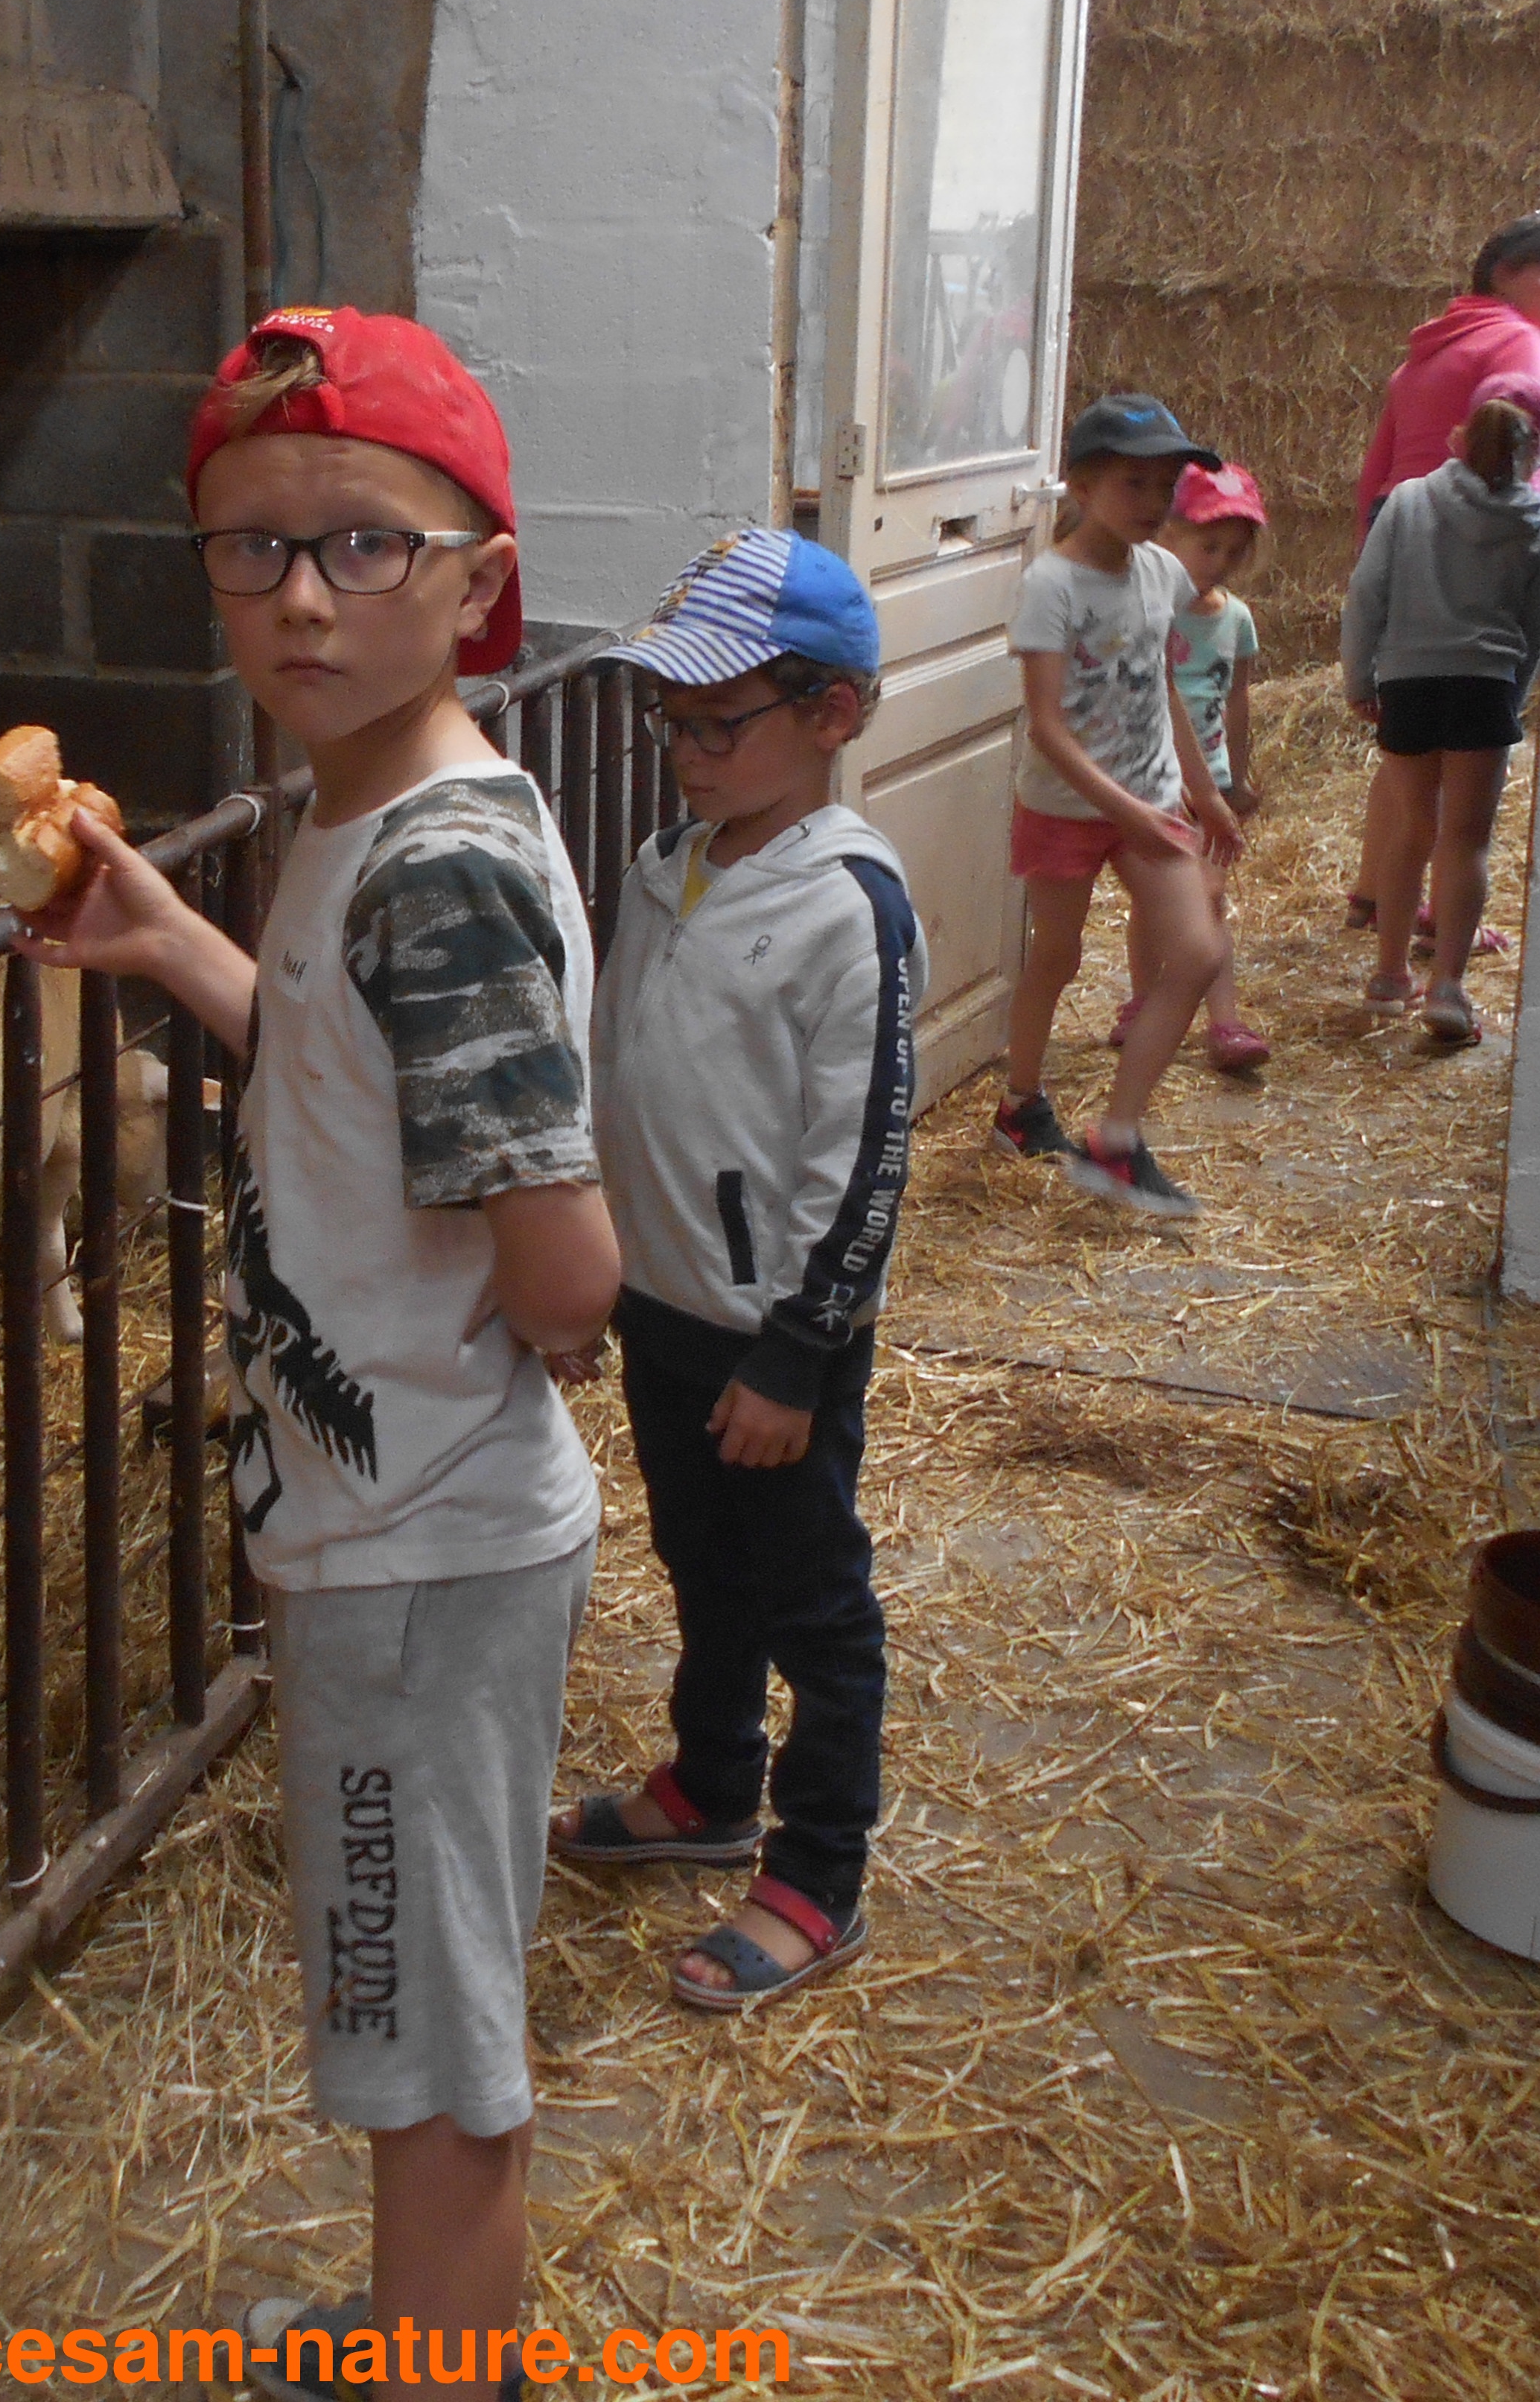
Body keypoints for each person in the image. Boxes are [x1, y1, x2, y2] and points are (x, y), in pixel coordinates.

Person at [19, 306, 612, 2402]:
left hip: (423, 1543)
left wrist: (527, 1317)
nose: (300, 597)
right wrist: (167, 940)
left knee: (421, 2036)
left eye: (366, 545)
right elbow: (357, 1083)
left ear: (479, 576)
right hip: (396, 1524)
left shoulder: (432, 871)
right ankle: (421, 2333)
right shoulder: (375, 810)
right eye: (252, 547)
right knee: (413, 1995)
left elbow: (568, 1270)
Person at [545, 528, 921, 2015]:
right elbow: (626, 1080)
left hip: (774, 1337)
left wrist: (796, 1352)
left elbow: (867, 1154)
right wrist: (596, 1272)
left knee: (812, 1602)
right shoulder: (666, 870)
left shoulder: (849, 902)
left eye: (719, 724)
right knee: (700, 1561)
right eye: (673, 723)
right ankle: (711, 1784)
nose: (687, 754)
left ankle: (818, 1869)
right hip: (665, 1305)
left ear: (832, 714)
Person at [985, 394, 1245, 1219]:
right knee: (1056, 958)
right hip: (1066, 806)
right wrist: (1123, 811)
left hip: (1153, 800)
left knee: (1197, 953)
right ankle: (1020, 1104)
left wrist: (1205, 793)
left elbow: (1161, 686)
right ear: (1082, 486)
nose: (1154, 501)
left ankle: (1118, 1141)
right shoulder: (1051, 585)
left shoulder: (1162, 572)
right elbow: (1048, 728)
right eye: (1135, 483)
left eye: (1166, 486)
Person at [1348, 209, 1540, 941]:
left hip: (1403, 523)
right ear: (1504, 274)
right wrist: (1528, 541)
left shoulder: (1426, 351)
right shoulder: (1519, 341)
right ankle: (1448, 909)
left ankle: (1375, 891)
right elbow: (1520, 453)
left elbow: (1378, 470)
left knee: (1408, 728)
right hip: (1472, 539)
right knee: (1462, 739)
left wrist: (1372, 547)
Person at [1344, 374, 1540, 1048]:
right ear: (1534, 457)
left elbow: (1366, 594)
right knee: (1466, 841)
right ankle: (1447, 986)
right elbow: (1536, 625)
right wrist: (1515, 694)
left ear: (1457, 441)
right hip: (1484, 686)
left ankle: (1388, 976)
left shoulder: (1408, 501)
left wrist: (1360, 677)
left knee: (1413, 831)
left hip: (1408, 683)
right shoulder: (1538, 524)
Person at [1124, 463, 1270, 1075]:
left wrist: (1234, 776)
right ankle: (1143, 1000)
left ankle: (1224, 1020)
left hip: (1210, 778)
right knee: (1155, 899)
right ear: (1167, 534)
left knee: (1210, 897)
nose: (1220, 562)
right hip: (1157, 780)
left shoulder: (1235, 619)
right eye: (1209, 546)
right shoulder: (1149, 608)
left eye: (1234, 552)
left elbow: (1237, 699)